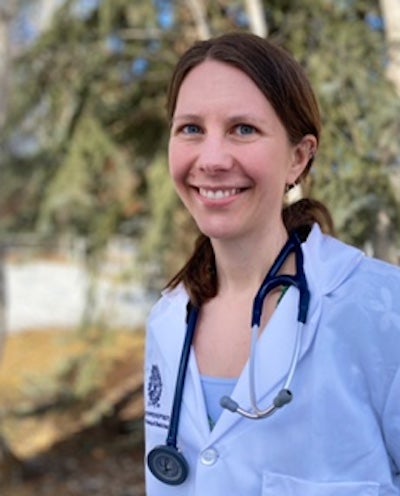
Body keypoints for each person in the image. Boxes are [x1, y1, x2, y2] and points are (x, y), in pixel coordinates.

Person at [144, 31, 400, 495]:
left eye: (244, 129)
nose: (213, 158)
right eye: (191, 129)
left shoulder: (381, 309)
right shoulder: (168, 320)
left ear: (299, 158)